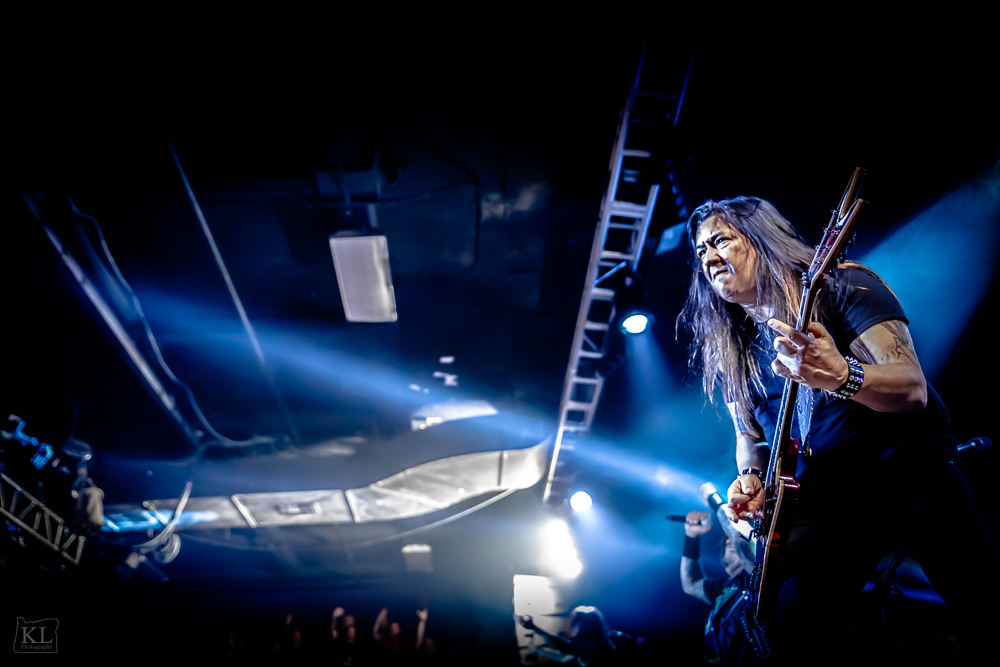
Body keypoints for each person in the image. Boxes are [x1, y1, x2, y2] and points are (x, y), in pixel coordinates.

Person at [677, 196, 997, 666]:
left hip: (903, 462)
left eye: (721, 239)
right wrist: (750, 478)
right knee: (792, 617)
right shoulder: (735, 347)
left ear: (761, 238)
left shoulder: (842, 285)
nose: (707, 256)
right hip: (827, 493)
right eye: (701, 250)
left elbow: (911, 388)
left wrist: (840, 376)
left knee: (976, 597)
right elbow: (750, 437)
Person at [680, 509, 770, 665]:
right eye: (727, 538)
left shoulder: (755, 578)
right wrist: (691, 537)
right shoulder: (726, 589)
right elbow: (691, 584)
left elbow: (745, 547)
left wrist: (715, 501)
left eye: (732, 536)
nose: (729, 539)